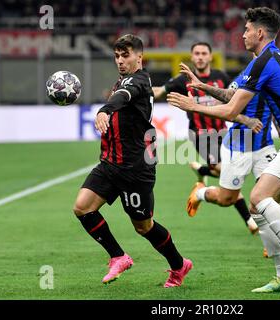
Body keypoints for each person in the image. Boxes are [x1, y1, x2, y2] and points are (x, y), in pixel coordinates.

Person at [167, 7, 280, 293]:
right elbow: (232, 95)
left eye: (247, 29)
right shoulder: (276, 57)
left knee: (257, 197)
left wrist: (193, 104)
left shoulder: (263, 61)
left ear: (260, 33)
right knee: (258, 206)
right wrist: (202, 86)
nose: (242, 34)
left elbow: (230, 110)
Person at [73, 34, 192, 288]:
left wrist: (105, 109)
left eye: (125, 55)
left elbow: (124, 96)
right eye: (116, 56)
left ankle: (179, 265)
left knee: (144, 227)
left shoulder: (138, 80)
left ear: (140, 57)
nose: (120, 60)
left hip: (135, 168)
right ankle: (118, 256)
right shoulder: (123, 80)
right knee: (82, 207)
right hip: (109, 163)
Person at [178, 61, 280, 259]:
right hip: (238, 148)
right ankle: (201, 192)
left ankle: (272, 243)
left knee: (271, 194)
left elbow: (277, 107)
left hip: (264, 146)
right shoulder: (246, 77)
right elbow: (227, 106)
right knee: (226, 199)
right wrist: (246, 120)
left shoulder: (276, 79)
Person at [153, 42, 262, 234]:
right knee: (227, 174)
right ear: (192, 56)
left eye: (204, 53)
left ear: (211, 56)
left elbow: (232, 104)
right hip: (201, 135)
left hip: (224, 134)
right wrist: (134, 91)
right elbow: (159, 91)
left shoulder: (221, 77)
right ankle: (250, 221)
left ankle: (202, 169)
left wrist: (245, 119)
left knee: (231, 176)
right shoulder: (181, 80)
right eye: (197, 53)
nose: (201, 56)